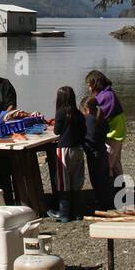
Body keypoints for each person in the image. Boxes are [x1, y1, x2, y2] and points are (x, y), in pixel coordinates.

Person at [46, 86, 87, 222]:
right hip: (78, 150)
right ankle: (77, 213)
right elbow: (83, 132)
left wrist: (53, 127)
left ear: (60, 99)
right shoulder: (79, 113)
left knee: (63, 182)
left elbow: (57, 131)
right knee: (76, 181)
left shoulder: (61, 113)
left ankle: (63, 214)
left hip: (64, 149)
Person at [86, 70, 127, 191]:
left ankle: (111, 190)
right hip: (117, 131)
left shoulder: (106, 96)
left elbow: (99, 115)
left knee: (109, 163)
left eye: (89, 85)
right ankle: (121, 189)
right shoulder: (107, 93)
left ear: (95, 84)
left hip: (114, 133)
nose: (88, 88)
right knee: (116, 162)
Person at [81, 93, 116, 212]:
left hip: (93, 154)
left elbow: (89, 137)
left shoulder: (88, 120)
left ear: (86, 110)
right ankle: (107, 200)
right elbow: (105, 130)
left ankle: (103, 203)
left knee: (96, 179)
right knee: (104, 177)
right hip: (102, 152)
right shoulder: (100, 118)